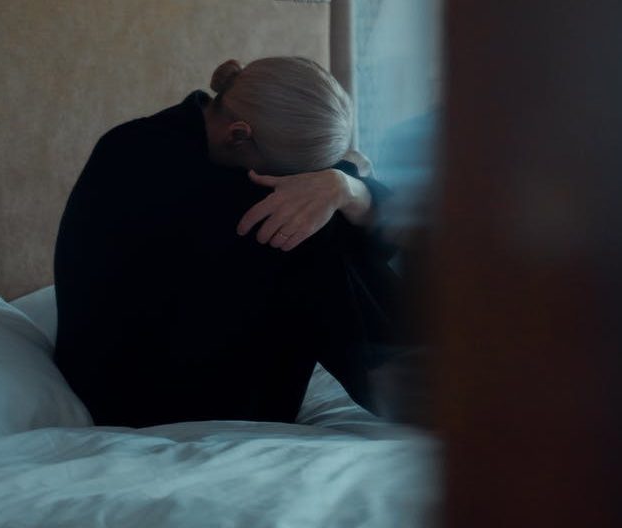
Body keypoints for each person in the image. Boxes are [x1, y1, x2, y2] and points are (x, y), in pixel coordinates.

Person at [53, 57, 404, 427]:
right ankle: (401, 378)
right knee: (303, 226)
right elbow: (376, 231)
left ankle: (406, 372)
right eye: (289, 174)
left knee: (316, 212)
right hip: (134, 392)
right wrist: (344, 179)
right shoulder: (141, 158)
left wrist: (341, 186)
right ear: (238, 135)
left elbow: (386, 232)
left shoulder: (214, 148)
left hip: (202, 357)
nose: (294, 182)